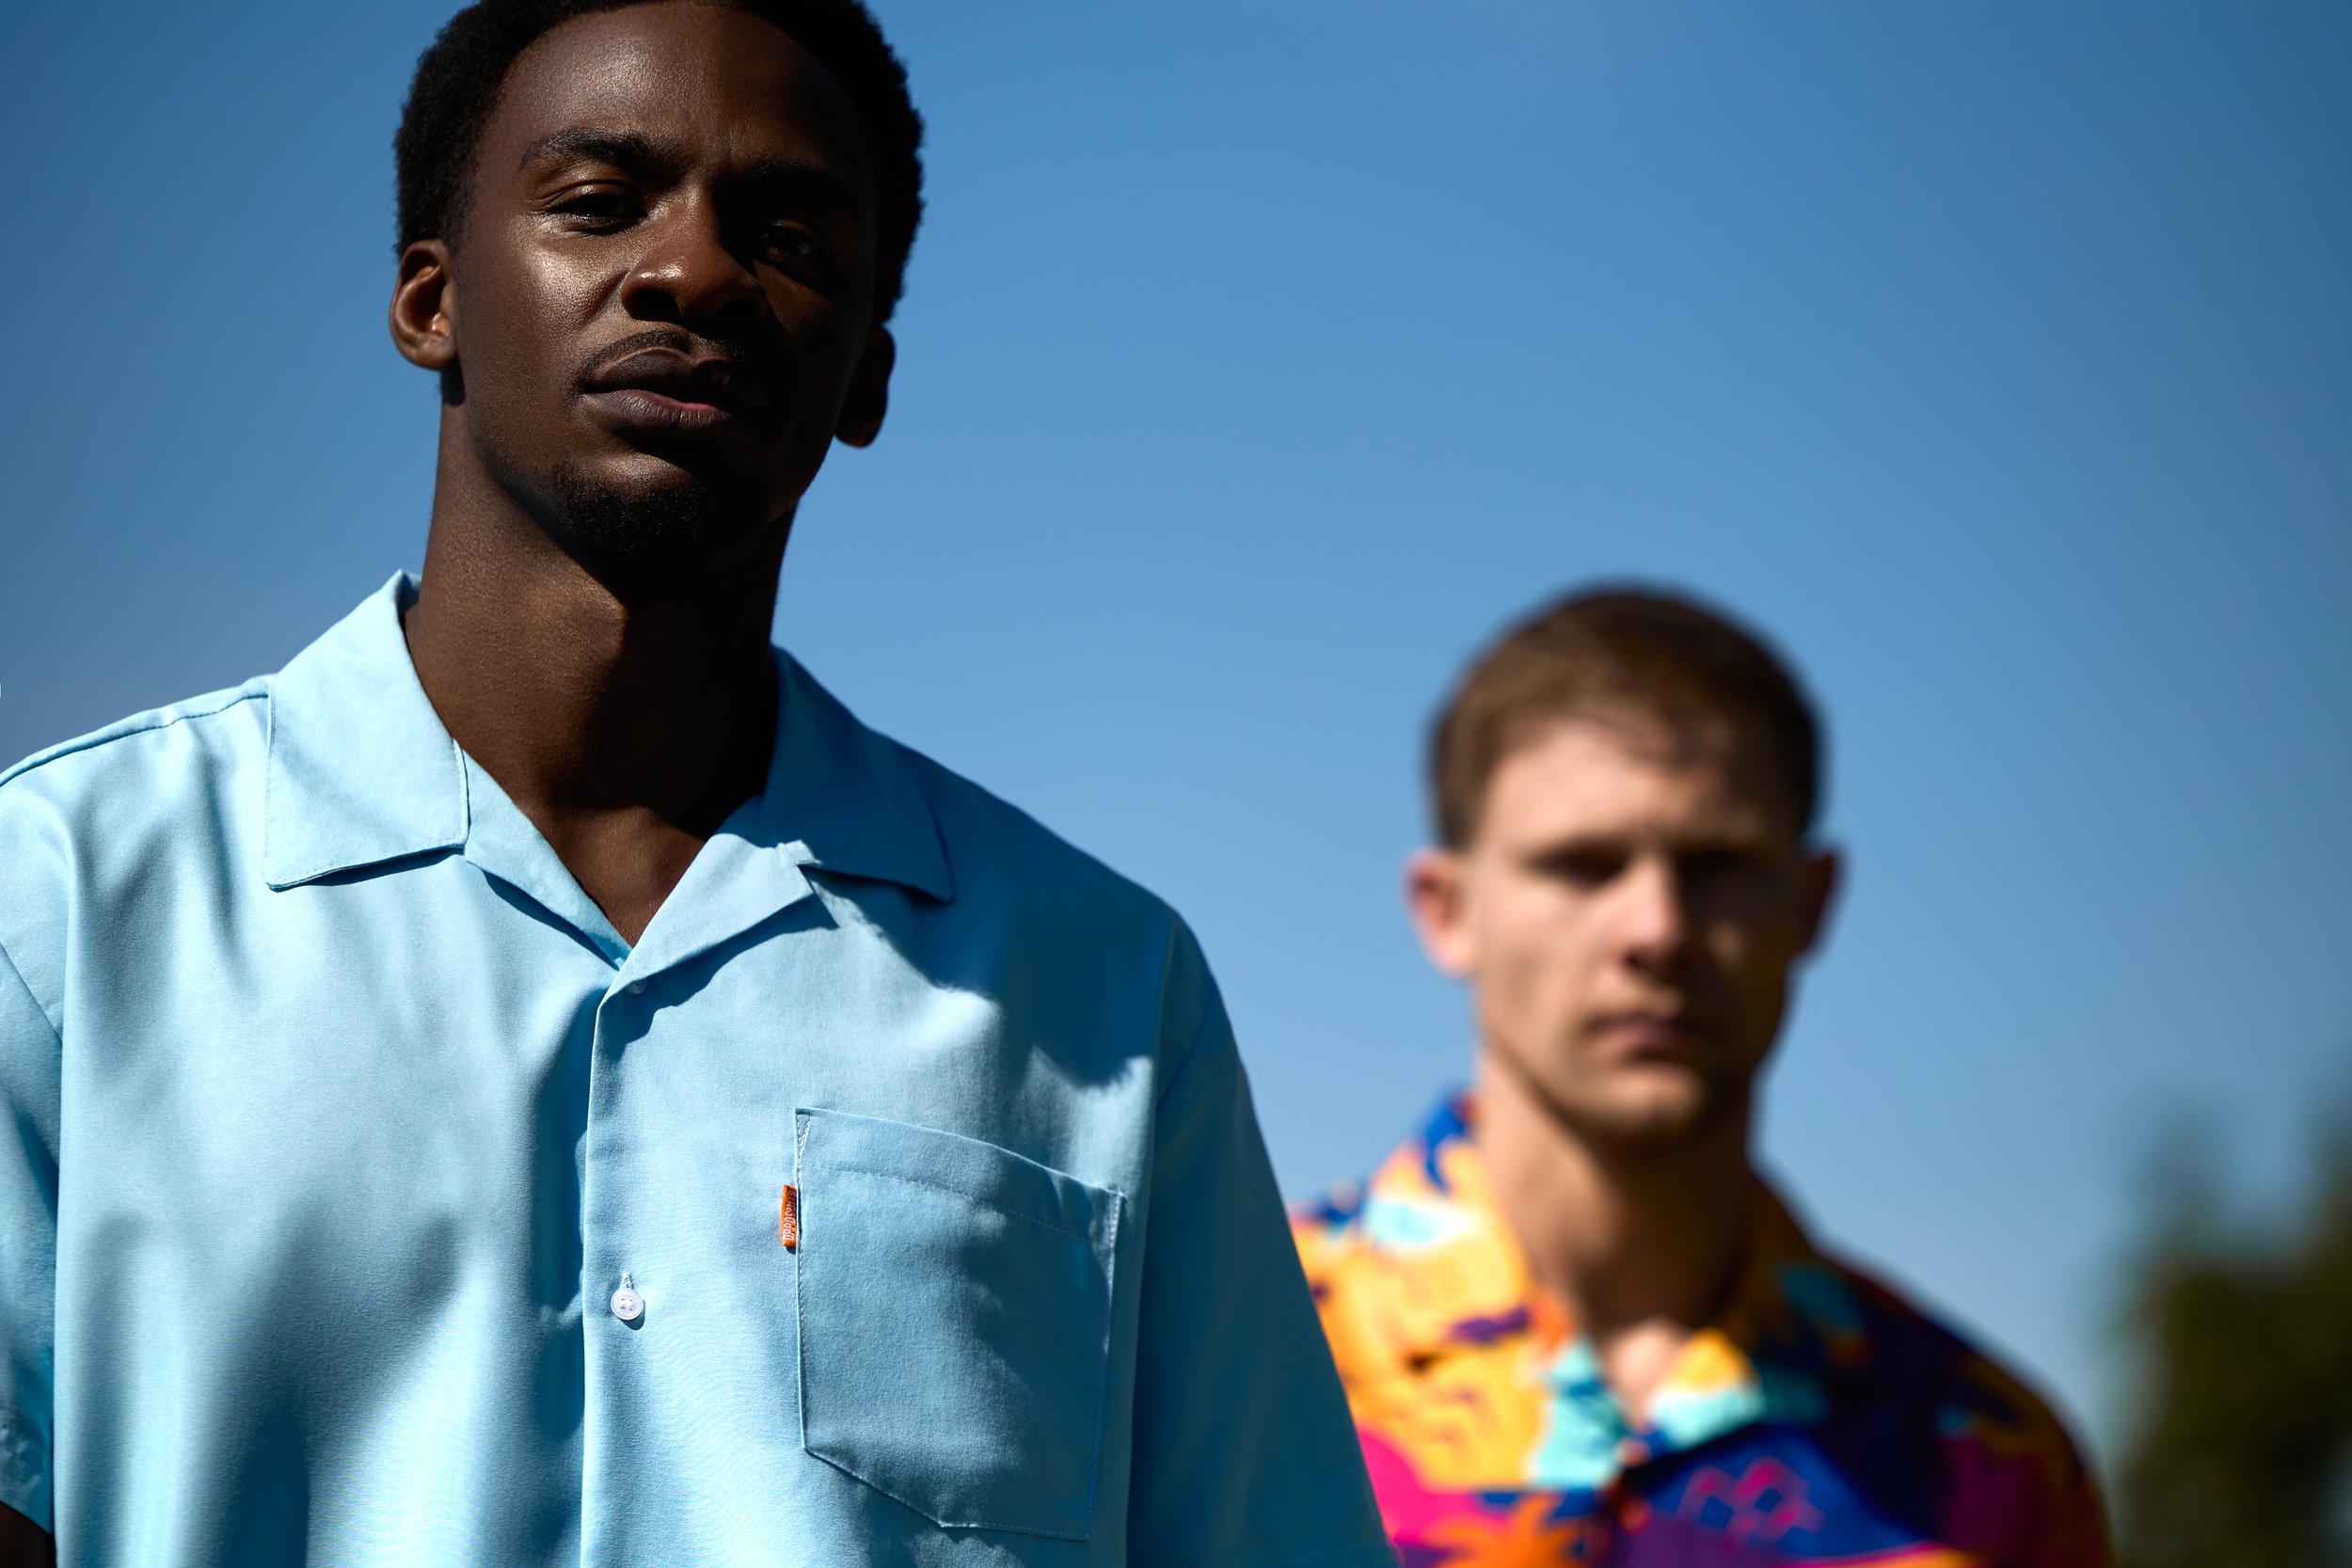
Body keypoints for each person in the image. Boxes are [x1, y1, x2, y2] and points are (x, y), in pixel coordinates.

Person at [0, 3, 1391, 1563]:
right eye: (597, 202)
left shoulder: (1107, 998)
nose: (695, 272)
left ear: (864, 374)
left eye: (787, 233)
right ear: (428, 299)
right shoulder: (56, 908)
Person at [1294, 588, 2107, 1565]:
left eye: (1716, 864)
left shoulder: (1992, 1466)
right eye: (1583, 864)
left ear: (1811, 903)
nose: (1657, 929)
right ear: (1447, 909)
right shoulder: (1215, 1364)